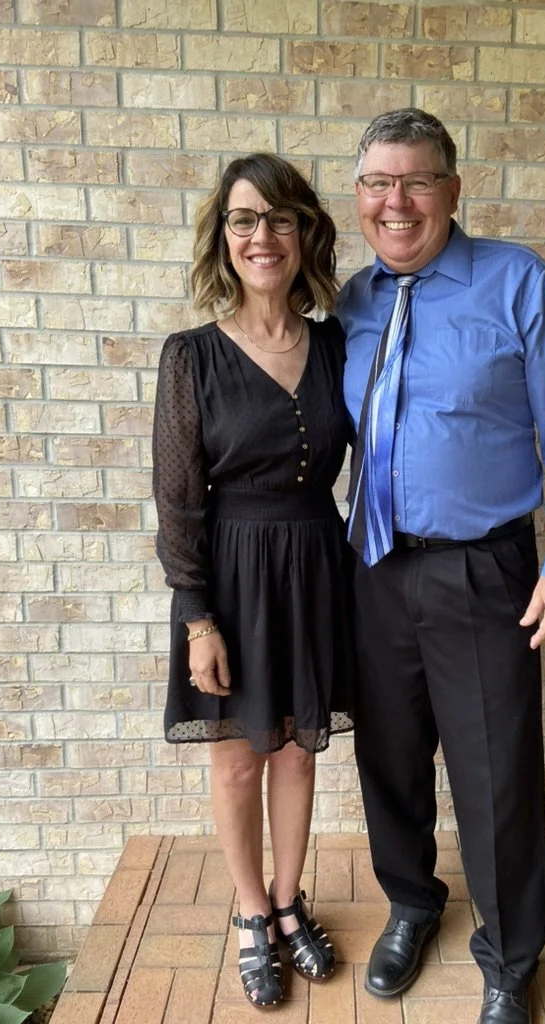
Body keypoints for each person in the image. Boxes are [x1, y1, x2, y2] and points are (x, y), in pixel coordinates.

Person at [338, 109, 545, 1024]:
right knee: (389, 759)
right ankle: (413, 903)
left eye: (416, 181)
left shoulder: (518, 281)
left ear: (453, 191)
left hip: (483, 570)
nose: (397, 201)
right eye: (379, 183)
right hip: (372, 567)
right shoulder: (351, 301)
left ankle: (508, 955)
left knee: (495, 773)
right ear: (360, 197)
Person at [152, 153, 354, 1010]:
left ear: (305, 232)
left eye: (279, 218)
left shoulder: (341, 342)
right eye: (244, 219)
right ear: (222, 237)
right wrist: (198, 618)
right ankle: (247, 914)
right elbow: (175, 499)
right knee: (238, 762)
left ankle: (287, 902)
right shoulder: (191, 356)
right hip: (230, 579)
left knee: (299, 753)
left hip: (317, 562)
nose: (261, 236)